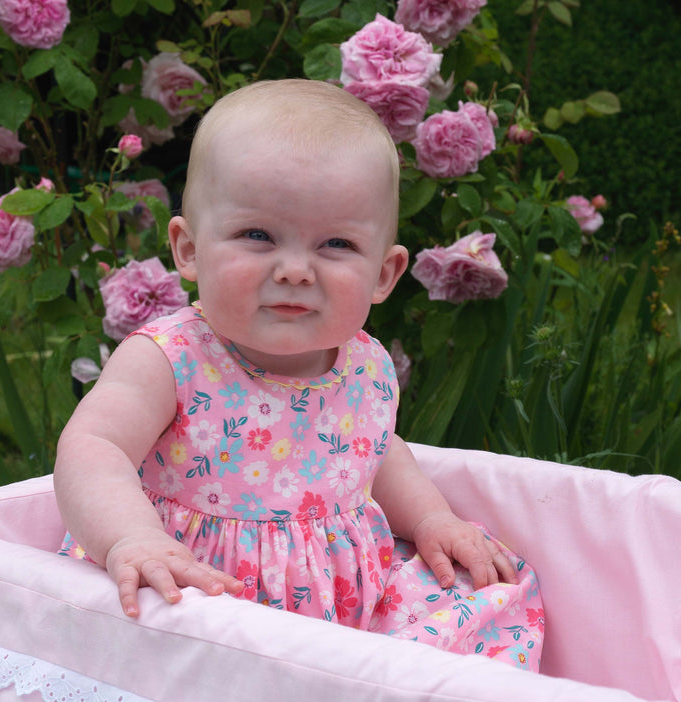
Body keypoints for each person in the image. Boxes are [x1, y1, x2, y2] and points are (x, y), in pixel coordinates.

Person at [53, 79, 543, 669]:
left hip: (344, 610)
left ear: (384, 275)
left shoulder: (363, 361)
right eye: (257, 236)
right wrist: (131, 539)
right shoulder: (172, 357)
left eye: (335, 244)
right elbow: (93, 446)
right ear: (187, 248)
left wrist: (433, 518)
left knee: (487, 601)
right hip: (198, 603)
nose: (292, 270)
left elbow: (378, 452)